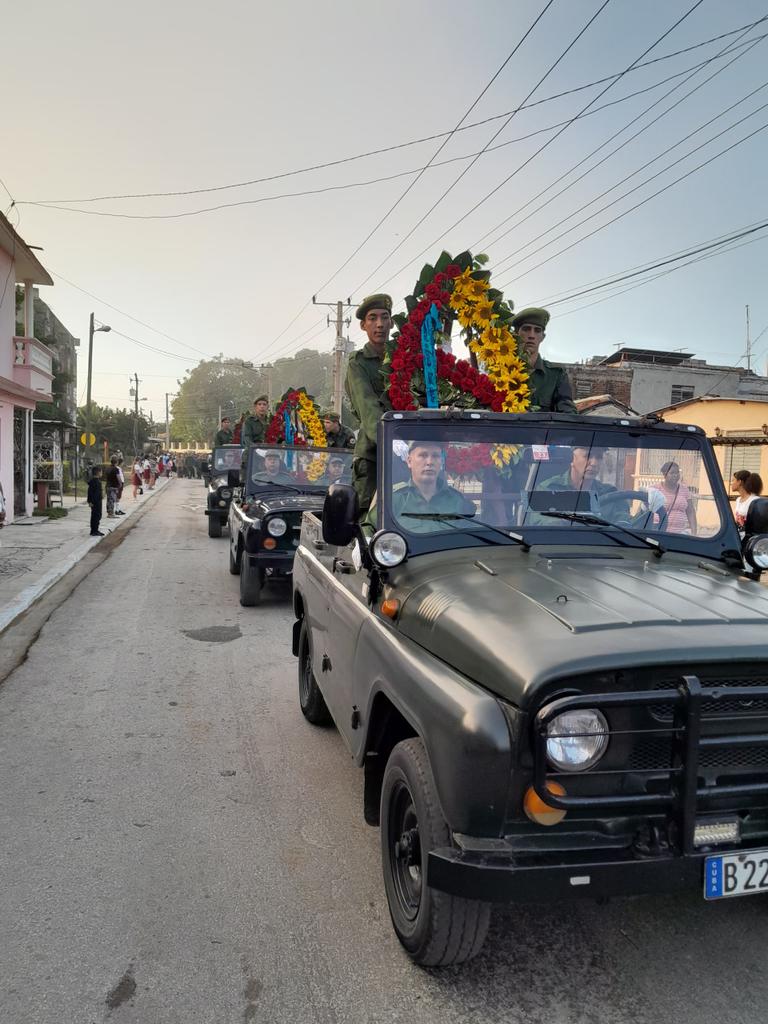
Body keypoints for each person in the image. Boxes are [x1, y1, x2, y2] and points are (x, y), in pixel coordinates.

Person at [345, 293, 393, 514]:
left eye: (385, 317)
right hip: (375, 454)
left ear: (392, 322)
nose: (380, 324)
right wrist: (396, 443)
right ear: (364, 325)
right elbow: (369, 410)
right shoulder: (358, 364)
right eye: (373, 318)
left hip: (413, 452)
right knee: (368, 520)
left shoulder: (405, 357)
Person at [390, 441, 475, 533]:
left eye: (435, 456)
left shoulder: (458, 501)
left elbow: (470, 540)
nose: (430, 462)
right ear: (409, 461)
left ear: (441, 462)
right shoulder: (394, 500)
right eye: (423, 455)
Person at [511, 307, 577, 413]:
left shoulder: (556, 374)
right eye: (526, 329)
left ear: (543, 337)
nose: (531, 335)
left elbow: (567, 410)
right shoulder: (501, 371)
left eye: (537, 330)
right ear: (516, 334)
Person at [658, 461, 697, 534]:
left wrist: (694, 533)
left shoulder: (684, 490)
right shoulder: (655, 489)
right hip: (660, 533)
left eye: (677, 472)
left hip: (679, 534)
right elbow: (645, 509)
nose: (675, 475)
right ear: (664, 474)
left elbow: (691, 511)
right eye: (672, 473)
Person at [87, 466, 104, 537]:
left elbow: (89, 492)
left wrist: (89, 501)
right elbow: (96, 494)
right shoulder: (98, 483)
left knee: (94, 516)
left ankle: (93, 530)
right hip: (97, 502)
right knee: (97, 516)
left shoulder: (92, 482)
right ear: (98, 473)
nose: (102, 473)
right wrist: (93, 502)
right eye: (101, 472)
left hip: (93, 502)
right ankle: (95, 530)